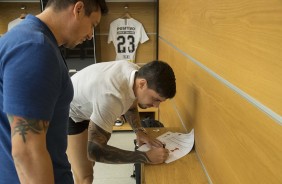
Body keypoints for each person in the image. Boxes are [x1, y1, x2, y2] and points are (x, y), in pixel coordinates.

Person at [0, 0, 108, 183]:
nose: (90, 35)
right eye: (93, 25)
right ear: (78, 9)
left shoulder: (28, 38)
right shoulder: (35, 48)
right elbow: (27, 151)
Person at [67, 60, 176, 184]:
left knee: (88, 163)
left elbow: (131, 105)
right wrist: (146, 157)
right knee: (85, 176)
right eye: (155, 99)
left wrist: (139, 131)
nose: (156, 106)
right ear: (142, 84)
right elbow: (95, 151)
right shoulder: (111, 97)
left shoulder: (136, 73)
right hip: (70, 110)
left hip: (88, 99)